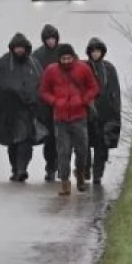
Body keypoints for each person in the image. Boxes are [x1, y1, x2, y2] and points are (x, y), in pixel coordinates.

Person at [0, 33, 48, 182]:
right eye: (17, 48)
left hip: (28, 110)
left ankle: (22, 168)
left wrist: (36, 102)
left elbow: (39, 82)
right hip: (9, 110)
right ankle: (15, 167)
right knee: (13, 141)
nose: (19, 50)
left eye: (22, 47)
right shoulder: (3, 63)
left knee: (25, 140)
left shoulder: (33, 63)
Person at [39, 44, 100, 196]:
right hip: (60, 119)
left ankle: (80, 175)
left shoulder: (83, 69)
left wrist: (83, 100)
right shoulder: (51, 71)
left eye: (69, 58)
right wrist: (54, 101)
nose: (66, 61)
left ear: (73, 57)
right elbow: (44, 91)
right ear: (59, 59)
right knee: (63, 151)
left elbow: (94, 87)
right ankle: (65, 182)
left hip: (79, 117)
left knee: (82, 150)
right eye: (63, 58)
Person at [82, 37, 121, 185]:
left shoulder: (109, 69)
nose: (96, 54)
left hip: (105, 113)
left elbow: (115, 91)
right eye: (93, 51)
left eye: (98, 51)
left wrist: (115, 111)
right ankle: (85, 168)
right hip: (86, 112)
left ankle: (98, 173)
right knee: (84, 143)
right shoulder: (84, 67)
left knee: (102, 145)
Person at [32, 24, 62, 181]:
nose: (51, 41)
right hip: (45, 105)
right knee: (50, 138)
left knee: (63, 137)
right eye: (48, 39)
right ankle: (50, 166)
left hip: (64, 103)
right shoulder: (37, 56)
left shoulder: (64, 52)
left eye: (53, 38)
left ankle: (61, 165)